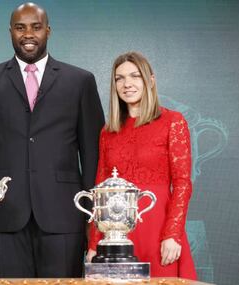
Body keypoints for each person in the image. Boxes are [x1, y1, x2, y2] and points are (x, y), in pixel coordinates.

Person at [0, 2, 104, 278]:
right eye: (20, 27)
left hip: (64, 216)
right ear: (10, 32)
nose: (28, 34)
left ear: (48, 31)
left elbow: (93, 155)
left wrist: (93, 217)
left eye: (36, 27)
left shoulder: (80, 81)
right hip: (3, 218)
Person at [86, 51, 197, 279]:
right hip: (116, 235)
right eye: (120, 78)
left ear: (150, 80)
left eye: (135, 76)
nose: (127, 84)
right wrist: (95, 243)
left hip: (159, 229)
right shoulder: (108, 132)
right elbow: (101, 190)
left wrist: (173, 234)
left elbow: (182, 183)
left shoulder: (172, 122)